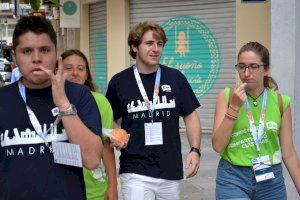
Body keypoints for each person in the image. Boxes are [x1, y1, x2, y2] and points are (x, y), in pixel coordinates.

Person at [0, 16, 103, 199]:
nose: (37, 58)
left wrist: (64, 104)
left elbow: (92, 160)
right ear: (15, 57)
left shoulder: (79, 95)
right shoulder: (3, 99)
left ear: (57, 55)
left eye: (45, 50)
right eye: (27, 51)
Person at [105, 21, 202, 200]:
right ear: (134, 46)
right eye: (149, 43)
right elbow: (109, 118)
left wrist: (195, 149)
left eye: (159, 44)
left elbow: (191, 115)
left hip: (170, 170)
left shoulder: (176, 78)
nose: (155, 49)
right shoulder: (120, 82)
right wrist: (116, 134)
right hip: (135, 170)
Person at [212, 41, 300, 199]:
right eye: (241, 66)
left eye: (253, 66)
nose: (246, 73)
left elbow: (288, 152)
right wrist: (234, 107)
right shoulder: (226, 96)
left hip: (270, 179)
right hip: (233, 178)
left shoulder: (281, 101)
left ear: (266, 68)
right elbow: (218, 146)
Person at [61, 49, 118, 200]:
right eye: (68, 68)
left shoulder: (100, 102)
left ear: (87, 74)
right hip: (59, 187)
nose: (75, 73)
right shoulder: (48, 101)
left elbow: (106, 147)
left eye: (81, 69)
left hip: (94, 190)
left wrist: (112, 186)